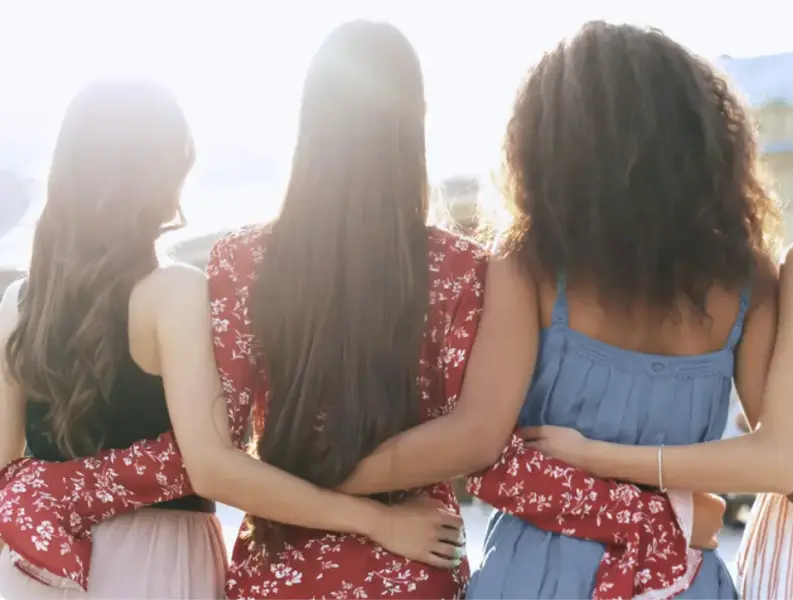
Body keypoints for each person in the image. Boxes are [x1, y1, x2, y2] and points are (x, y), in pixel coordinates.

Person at [463, 24, 793, 599]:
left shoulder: (528, 263)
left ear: (551, 142)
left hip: (535, 574)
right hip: (676, 578)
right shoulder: (747, 281)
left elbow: (479, 445)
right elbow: (789, 462)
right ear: (701, 140)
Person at [0, 67, 471, 598]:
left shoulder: (17, 304)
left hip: (36, 563)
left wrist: (55, 494)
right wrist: (377, 520)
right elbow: (212, 467)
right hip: (156, 564)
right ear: (165, 174)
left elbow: (5, 465)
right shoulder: (173, 294)